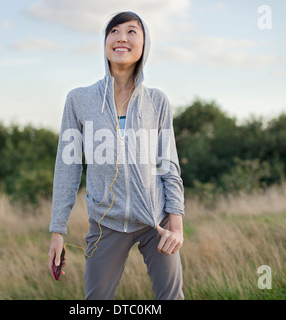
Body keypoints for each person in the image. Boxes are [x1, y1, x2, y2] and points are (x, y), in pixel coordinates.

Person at [48, 11, 185, 300]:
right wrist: (57, 232)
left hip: (155, 221)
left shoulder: (157, 101)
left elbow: (168, 166)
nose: (122, 37)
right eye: (114, 31)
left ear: (144, 44)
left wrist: (177, 228)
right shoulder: (79, 100)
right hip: (105, 223)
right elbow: (67, 167)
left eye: (132, 31)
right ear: (105, 42)